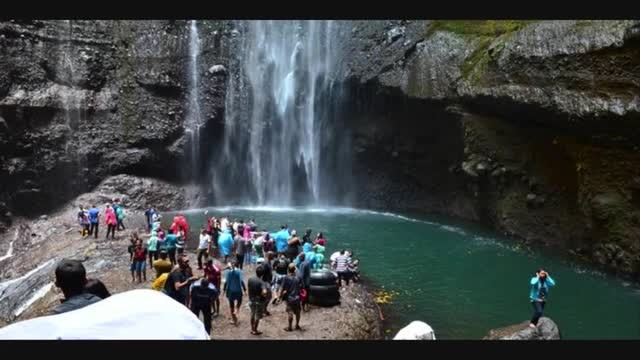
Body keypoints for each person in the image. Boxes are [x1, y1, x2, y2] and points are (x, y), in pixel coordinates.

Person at [278, 263, 303, 332]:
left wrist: (279, 297)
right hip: (297, 298)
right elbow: (302, 287)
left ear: (288, 270)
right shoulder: (299, 277)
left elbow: (282, 289)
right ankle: (297, 325)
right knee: (298, 312)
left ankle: (290, 327)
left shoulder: (286, 278)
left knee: (290, 312)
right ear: (295, 270)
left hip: (289, 298)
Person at [223, 260, 246, 324]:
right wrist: (245, 290)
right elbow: (241, 281)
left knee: (231, 305)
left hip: (230, 291)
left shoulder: (228, 272)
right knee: (239, 300)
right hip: (238, 290)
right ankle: (237, 309)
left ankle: (234, 319)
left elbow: (226, 282)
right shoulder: (239, 271)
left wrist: (224, 290)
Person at [248, 265, 268, 335]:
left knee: (252, 314)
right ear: (262, 274)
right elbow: (264, 292)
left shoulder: (250, 279)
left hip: (251, 299)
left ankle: (252, 328)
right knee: (258, 316)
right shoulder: (262, 282)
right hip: (258, 301)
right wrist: (264, 295)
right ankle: (255, 330)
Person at [260, 252, 274, 316]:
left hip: (268, 281)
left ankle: (264, 309)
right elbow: (262, 273)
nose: (273, 256)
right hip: (265, 282)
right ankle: (263, 310)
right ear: (269, 256)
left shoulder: (269, 262)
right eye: (272, 255)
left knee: (267, 297)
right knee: (268, 296)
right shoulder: (265, 263)